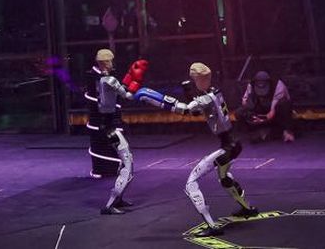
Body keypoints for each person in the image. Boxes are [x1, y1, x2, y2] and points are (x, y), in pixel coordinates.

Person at [136, 63, 258, 237]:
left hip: (227, 147)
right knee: (224, 178)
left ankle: (212, 226)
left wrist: (156, 99)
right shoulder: (215, 92)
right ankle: (247, 208)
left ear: (199, 79)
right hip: (233, 144)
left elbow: (186, 110)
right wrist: (189, 94)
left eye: (195, 80)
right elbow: (197, 111)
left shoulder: (207, 97)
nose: (194, 83)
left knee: (191, 182)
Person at [90, 49, 158, 215]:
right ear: (106, 62)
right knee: (127, 162)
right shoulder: (110, 80)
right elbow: (128, 95)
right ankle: (110, 204)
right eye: (110, 60)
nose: (112, 63)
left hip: (107, 125)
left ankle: (118, 199)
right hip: (109, 128)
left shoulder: (101, 79)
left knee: (125, 161)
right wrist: (138, 84)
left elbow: (120, 90)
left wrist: (130, 79)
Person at [235, 71, 295, 143]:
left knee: (284, 103)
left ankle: (287, 132)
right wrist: (252, 116)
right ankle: (255, 133)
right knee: (239, 112)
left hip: (276, 112)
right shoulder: (251, 85)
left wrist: (270, 113)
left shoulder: (278, 85)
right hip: (260, 111)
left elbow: (276, 104)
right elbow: (245, 103)